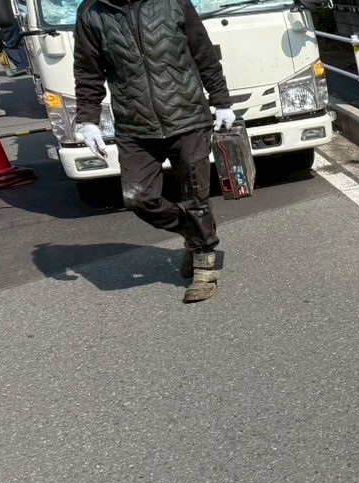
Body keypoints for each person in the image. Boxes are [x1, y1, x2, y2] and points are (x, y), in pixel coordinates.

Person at [73, 0, 236, 303]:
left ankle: (205, 267)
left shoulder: (173, 2)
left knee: (195, 196)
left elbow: (203, 53)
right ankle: (196, 234)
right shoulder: (91, 12)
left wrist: (221, 101)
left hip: (188, 116)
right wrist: (88, 120)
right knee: (138, 198)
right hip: (134, 124)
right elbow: (88, 72)